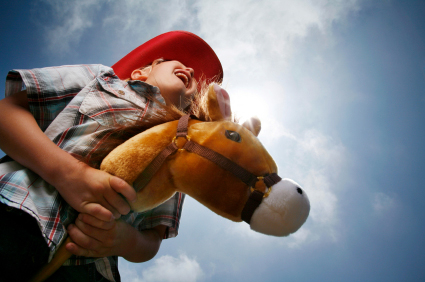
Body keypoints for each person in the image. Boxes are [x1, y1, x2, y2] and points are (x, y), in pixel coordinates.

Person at [0, 31, 225, 282]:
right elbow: (6, 111)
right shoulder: (101, 80)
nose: (191, 70)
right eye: (174, 62)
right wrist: (69, 174)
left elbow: (152, 238)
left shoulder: (179, 153)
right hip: (18, 209)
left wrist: (125, 241)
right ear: (140, 72)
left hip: (88, 268)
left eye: (197, 86)